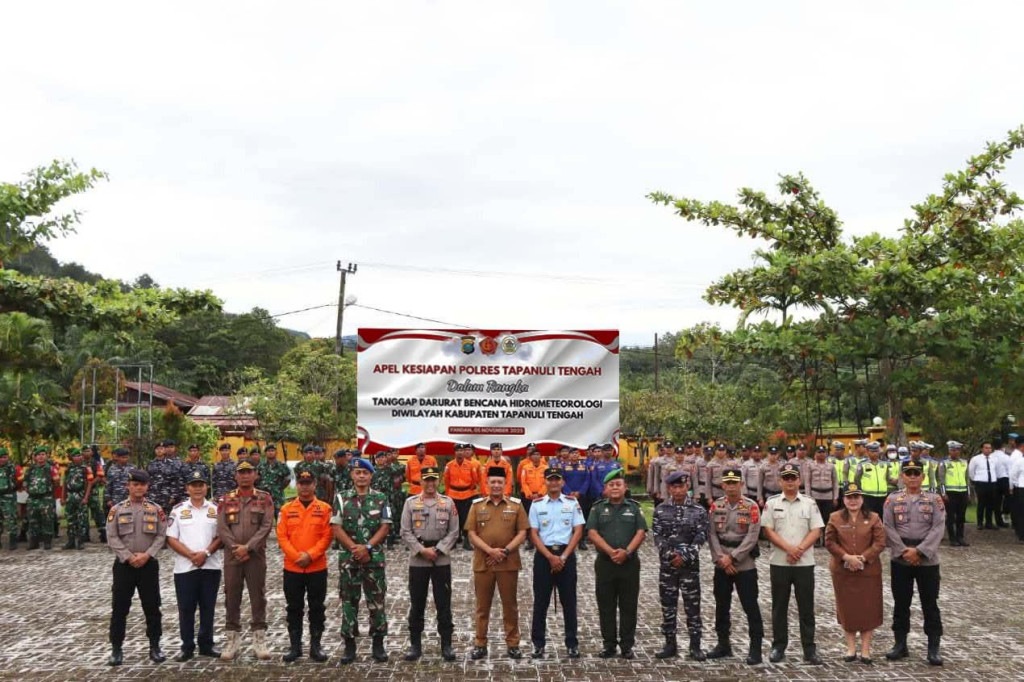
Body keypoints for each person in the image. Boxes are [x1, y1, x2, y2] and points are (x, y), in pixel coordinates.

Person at [883, 460, 946, 666]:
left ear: (923, 477)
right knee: (901, 602)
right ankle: (900, 644)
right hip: (901, 558)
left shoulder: (934, 499)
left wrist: (920, 552)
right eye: (908, 473)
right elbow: (888, 527)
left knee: (930, 603)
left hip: (927, 559)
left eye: (916, 473)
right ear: (902, 476)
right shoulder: (892, 499)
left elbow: (938, 528)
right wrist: (904, 551)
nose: (912, 477)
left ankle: (933, 647)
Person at [761, 462, 824, 665]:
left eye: (793, 478)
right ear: (780, 481)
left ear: (799, 480)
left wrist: (798, 550)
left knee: (806, 607)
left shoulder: (809, 503)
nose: (789, 482)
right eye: (785, 478)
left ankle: (809, 648)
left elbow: (816, 530)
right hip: (780, 562)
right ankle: (779, 646)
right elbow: (768, 530)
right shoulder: (771, 503)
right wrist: (790, 549)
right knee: (779, 607)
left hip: (804, 563)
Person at [332, 457, 392, 664]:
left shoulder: (381, 498)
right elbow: (336, 527)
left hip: (373, 559)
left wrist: (366, 547)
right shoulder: (341, 498)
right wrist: (354, 548)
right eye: (357, 473)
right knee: (349, 602)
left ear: (371, 476)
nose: (361, 476)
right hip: (349, 560)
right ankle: (349, 646)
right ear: (352, 475)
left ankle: (378, 644)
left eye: (365, 473)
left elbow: (385, 526)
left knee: (377, 602)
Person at [465, 466, 529, 660]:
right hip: (484, 563)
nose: (496, 485)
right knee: (482, 607)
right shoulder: (477, 506)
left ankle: (513, 644)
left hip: (508, 563)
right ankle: (480, 643)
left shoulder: (516, 505)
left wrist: (505, 551)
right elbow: (471, 534)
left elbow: (523, 533)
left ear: (505, 484)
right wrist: (490, 551)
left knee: (510, 605)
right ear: (487, 484)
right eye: (492, 482)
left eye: (499, 482)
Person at [105, 469, 166, 666]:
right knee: (120, 608)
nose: (139, 488)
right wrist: (128, 556)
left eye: (142, 484)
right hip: (125, 565)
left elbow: (161, 535)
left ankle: (155, 646)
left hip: (148, 564)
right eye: (135, 484)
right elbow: (111, 536)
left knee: (152, 607)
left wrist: (147, 555)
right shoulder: (117, 509)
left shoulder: (156, 509)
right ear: (128, 486)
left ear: (147, 486)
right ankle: (116, 648)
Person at [216, 460, 274, 661]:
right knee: (232, 595)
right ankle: (232, 638)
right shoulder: (225, 499)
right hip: (232, 557)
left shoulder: (265, 499)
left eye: (249, 472)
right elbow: (222, 528)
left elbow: (266, 526)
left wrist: (248, 547)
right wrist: (236, 548)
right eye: (241, 473)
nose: (245, 476)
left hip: (255, 556)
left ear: (255, 475)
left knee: (258, 596)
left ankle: (259, 637)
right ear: (235, 476)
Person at [400, 466, 460, 661]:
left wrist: (439, 549)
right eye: (426, 480)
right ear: (421, 481)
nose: (430, 484)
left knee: (443, 603)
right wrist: (421, 550)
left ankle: (447, 645)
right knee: (417, 603)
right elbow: (405, 531)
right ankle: (415, 645)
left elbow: (454, 531)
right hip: (418, 560)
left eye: (434, 480)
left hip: (441, 559)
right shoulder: (410, 503)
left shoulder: (448, 502)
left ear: (438, 481)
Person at [586, 468, 647, 660]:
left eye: (618, 484)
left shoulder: (634, 508)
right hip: (605, 563)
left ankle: (627, 646)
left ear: (625, 487)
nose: (614, 487)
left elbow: (641, 532)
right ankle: (609, 645)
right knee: (606, 605)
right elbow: (592, 533)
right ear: (605, 489)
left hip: (629, 564)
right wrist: (611, 552)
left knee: (629, 605)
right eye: (611, 485)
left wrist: (626, 552)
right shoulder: (597, 508)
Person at [707, 468, 764, 665]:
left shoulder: (751, 506)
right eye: (728, 483)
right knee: (722, 606)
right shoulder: (716, 506)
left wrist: (733, 558)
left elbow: (752, 535)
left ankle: (755, 648)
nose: (731, 486)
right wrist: (721, 559)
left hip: (744, 563)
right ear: (723, 485)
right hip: (722, 562)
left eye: (735, 483)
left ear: (741, 484)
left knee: (750, 606)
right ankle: (723, 645)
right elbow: (712, 534)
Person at [824, 484, 886, 664]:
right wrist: (847, 558)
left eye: (856, 497)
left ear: (862, 499)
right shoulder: (834, 517)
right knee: (847, 609)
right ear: (844, 500)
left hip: (868, 572)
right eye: (849, 497)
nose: (853, 501)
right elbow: (829, 541)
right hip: (843, 571)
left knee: (869, 609)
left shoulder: (874, 518)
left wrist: (862, 559)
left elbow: (880, 542)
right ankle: (850, 648)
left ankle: (866, 650)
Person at [528, 466, 585, 659]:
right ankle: (538, 643)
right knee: (540, 602)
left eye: (557, 479)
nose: (553, 482)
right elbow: (533, 534)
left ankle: (572, 643)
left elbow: (578, 531)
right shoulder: (536, 505)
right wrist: (550, 557)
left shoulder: (572, 502)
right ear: (545, 481)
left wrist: (562, 557)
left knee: (569, 602)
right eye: (550, 479)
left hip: (566, 555)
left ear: (562, 482)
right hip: (544, 557)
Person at [166, 470, 223, 662]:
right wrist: (191, 555)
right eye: (193, 485)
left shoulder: (216, 509)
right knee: (186, 608)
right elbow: (171, 538)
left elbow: (221, 537)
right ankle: (187, 646)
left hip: (210, 566)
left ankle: (206, 644)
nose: (197, 488)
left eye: (201, 484)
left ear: (207, 487)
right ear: (187, 488)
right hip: (185, 567)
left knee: (208, 607)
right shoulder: (178, 510)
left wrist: (205, 553)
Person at [277, 470, 333, 663]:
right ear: (296, 485)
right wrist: (296, 556)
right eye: (301, 483)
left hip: (317, 567)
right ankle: (295, 647)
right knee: (294, 608)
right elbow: (282, 537)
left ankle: (316, 646)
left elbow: (327, 536)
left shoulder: (325, 509)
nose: (305, 486)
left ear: (315, 484)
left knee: (317, 607)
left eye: (308, 482)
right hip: (292, 568)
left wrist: (310, 555)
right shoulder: (286, 509)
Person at [652, 469, 708, 661]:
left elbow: (701, 537)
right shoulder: (660, 509)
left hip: (689, 567)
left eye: (681, 486)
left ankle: (695, 645)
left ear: (688, 487)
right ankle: (670, 644)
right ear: (668, 488)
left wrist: (684, 557)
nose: (678, 490)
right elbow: (658, 536)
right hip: (668, 567)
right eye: (674, 487)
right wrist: (669, 555)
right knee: (668, 606)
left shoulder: (699, 510)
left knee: (693, 607)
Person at [443, 443, 481, 550]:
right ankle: (453, 540)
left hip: (467, 495)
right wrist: (447, 495)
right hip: (453, 494)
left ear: (464, 452)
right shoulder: (449, 465)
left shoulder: (471, 465)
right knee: (453, 518)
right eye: (457, 451)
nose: (460, 453)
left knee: (466, 518)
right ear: (454, 452)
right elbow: (446, 480)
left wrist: (470, 489)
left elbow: (475, 480)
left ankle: (466, 541)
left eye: (462, 450)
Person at [24, 446, 58, 550]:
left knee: (47, 520)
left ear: (46, 456)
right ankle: (34, 543)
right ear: (35, 457)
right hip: (33, 499)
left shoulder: (51, 468)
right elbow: (25, 483)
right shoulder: (30, 469)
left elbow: (56, 482)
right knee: (33, 521)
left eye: (43, 455)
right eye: (38, 455)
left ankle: (47, 542)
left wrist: (47, 492)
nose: (41, 457)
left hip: (46, 498)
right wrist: (32, 492)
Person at [62, 447, 95, 550]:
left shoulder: (86, 468)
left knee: (82, 520)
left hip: (80, 495)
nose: (79, 457)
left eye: (80, 455)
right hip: (70, 496)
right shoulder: (68, 468)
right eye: (76, 456)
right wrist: (63, 497)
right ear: (72, 457)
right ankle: (71, 541)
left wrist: (86, 497)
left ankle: (81, 541)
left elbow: (89, 483)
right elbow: (64, 483)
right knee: (70, 519)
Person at [805, 445, 838, 546]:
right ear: (815, 454)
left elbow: (835, 482)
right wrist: (808, 497)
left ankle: (826, 539)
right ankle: (817, 539)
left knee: (827, 519)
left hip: (828, 496)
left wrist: (835, 497)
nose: (821, 454)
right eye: (819, 452)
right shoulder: (810, 465)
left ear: (826, 454)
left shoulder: (831, 466)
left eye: (823, 452)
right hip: (815, 496)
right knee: (815, 519)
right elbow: (807, 482)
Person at [939, 441, 970, 546]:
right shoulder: (944, 463)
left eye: (957, 450)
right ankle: (952, 538)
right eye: (953, 450)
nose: (955, 452)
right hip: (950, 493)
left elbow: (967, 479)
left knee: (961, 516)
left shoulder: (964, 462)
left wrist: (968, 492)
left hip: (962, 492)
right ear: (949, 451)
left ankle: (960, 537)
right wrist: (943, 493)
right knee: (951, 517)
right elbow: (941, 479)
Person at [561, 447, 592, 549]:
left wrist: (580, 492)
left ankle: (581, 540)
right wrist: (569, 492)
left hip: (581, 496)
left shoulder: (584, 466)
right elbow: (562, 481)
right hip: (568, 496)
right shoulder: (564, 467)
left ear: (579, 455)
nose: (574, 455)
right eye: (572, 453)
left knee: (581, 518)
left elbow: (587, 481)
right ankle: (567, 539)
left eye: (576, 453)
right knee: (567, 517)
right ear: (569, 455)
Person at [969, 442, 1002, 530]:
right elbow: (971, 471)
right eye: (986, 448)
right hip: (981, 483)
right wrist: (975, 479)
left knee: (990, 504)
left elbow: (997, 470)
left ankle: (989, 522)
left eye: (990, 448)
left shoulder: (994, 459)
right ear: (982, 449)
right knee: (981, 503)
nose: (988, 449)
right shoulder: (976, 459)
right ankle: (980, 523)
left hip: (992, 483)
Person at [853, 442, 890, 517]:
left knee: (881, 517)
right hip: (867, 496)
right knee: (868, 517)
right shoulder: (862, 464)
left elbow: (887, 478)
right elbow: (857, 479)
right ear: (867, 452)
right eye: (872, 451)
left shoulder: (885, 464)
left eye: (876, 451)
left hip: (882, 496)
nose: (874, 453)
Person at [518, 446, 547, 528]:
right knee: (527, 514)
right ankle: (528, 534)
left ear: (541, 456)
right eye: (533, 455)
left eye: (538, 454)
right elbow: (523, 482)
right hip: (528, 497)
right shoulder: (525, 468)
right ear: (530, 457)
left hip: (541, 496)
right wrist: (529, 494)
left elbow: (546, 483)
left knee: (542, 514)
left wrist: (540, 494)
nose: (536, 456)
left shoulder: (545, 468)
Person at [0, 447, 20, 550]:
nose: (2, 459)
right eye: (0, 457)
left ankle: (13, 541)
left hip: (9, 497)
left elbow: (20, 480)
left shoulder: (13, 468)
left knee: (11, 519)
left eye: (4, 457)